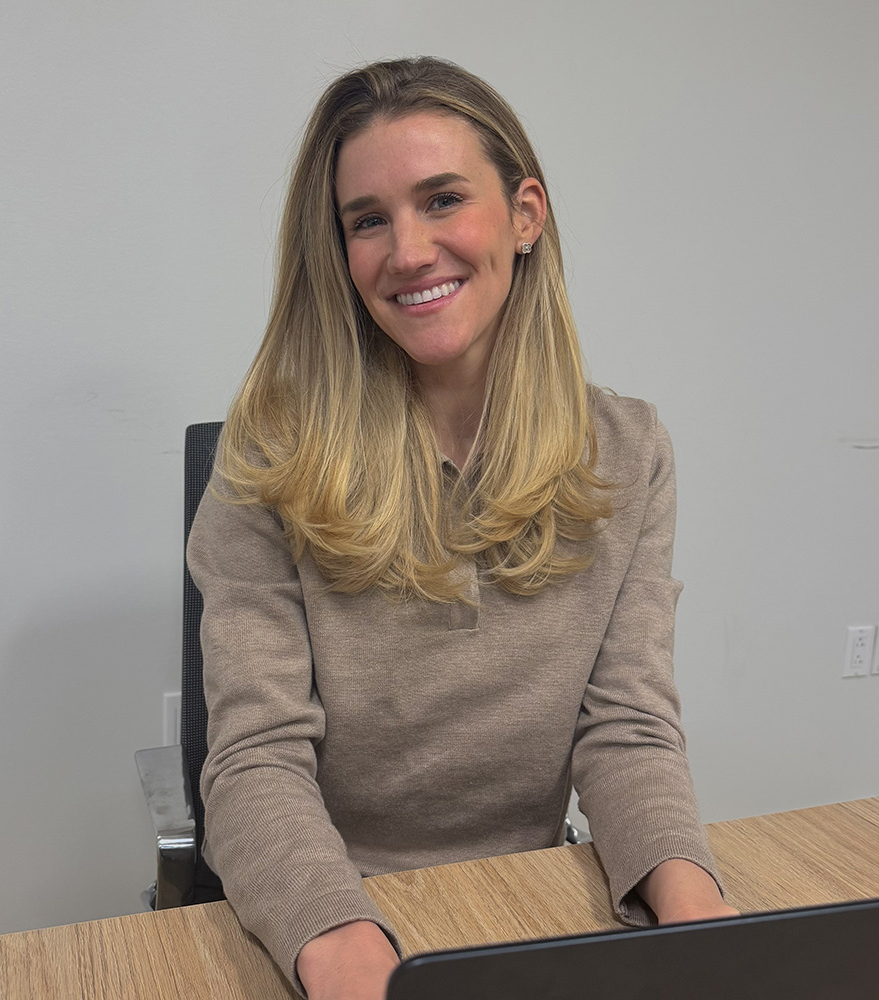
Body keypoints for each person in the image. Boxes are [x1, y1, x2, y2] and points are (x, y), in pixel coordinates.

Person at [186, 55, 736, 1000]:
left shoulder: (629, 449)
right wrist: (346, 946)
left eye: (443, 199)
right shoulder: (266, 459)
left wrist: (706, 929)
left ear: (526, 214)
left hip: (532, 904)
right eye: (368, 220)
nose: (406, 251)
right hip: (327, 918)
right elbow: (256, 759)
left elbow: (629, 731)